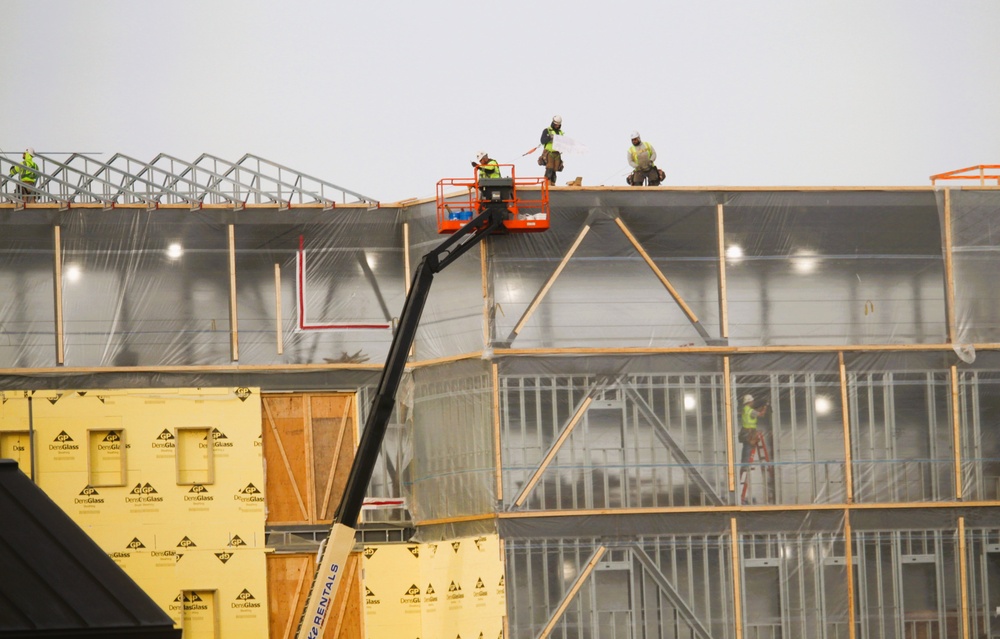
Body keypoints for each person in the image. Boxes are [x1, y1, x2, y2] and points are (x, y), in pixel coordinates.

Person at [738, 394, 769, 465]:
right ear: (749, 402)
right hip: (749, 432)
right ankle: (745, 464)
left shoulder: (745, 409)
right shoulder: (750, 411)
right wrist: (764, 407)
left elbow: (755, 413)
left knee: (745, 448)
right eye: (752, 401)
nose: (753, 402)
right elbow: (761, 414)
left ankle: (744, 463)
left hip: (745, 430)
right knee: (748, 448)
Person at [539, 115, 564, 186]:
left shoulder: (560, 132)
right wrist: (549, 137)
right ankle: (547, 183)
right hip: (549, 152)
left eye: (558, 125)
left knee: (555, 169)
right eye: (556, 125)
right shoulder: (547, 130)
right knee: (549, 168)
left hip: (557, 153)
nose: (557, 126)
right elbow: (542, 141)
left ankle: (553, 183)